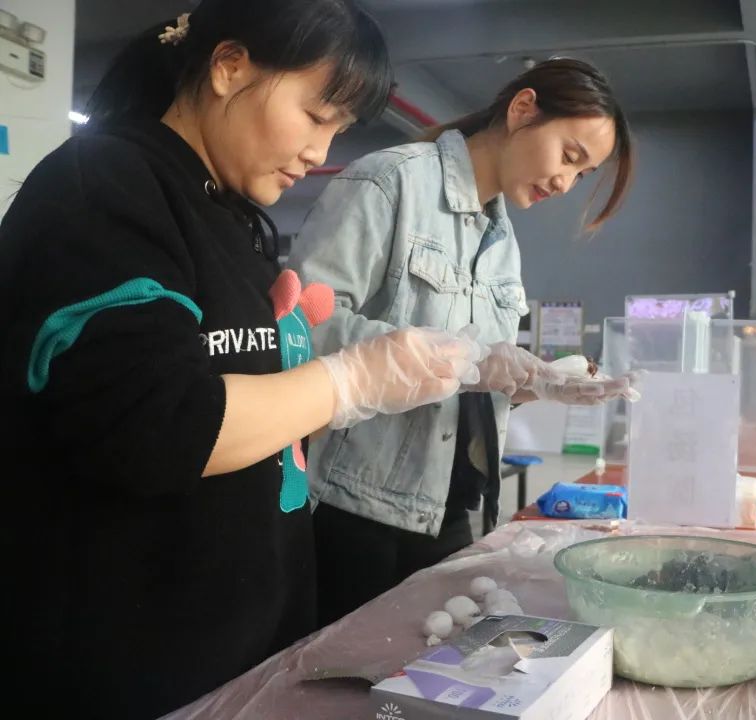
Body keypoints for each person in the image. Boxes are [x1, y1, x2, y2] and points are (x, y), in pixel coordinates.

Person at [0, 1, 485, 717]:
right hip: (126, 661)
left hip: (240, 649)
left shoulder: (232, 216)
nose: (321, 151)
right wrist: (349, 379)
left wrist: (292, 354)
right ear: (229, 67)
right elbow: (157, 428)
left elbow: (237, 405)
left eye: (338, 130)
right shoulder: (103, 184)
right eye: (316, 116)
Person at [288, 58, 638, 624]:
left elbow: (474, 383)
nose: (564, 183)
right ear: (523, 110)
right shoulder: (390, 182)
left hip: (452, 506)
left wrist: (539, 383)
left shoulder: (502, 242)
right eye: (569, 156)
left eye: (581, 175)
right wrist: (470, 360)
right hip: (355, 509)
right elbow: (301, 330)